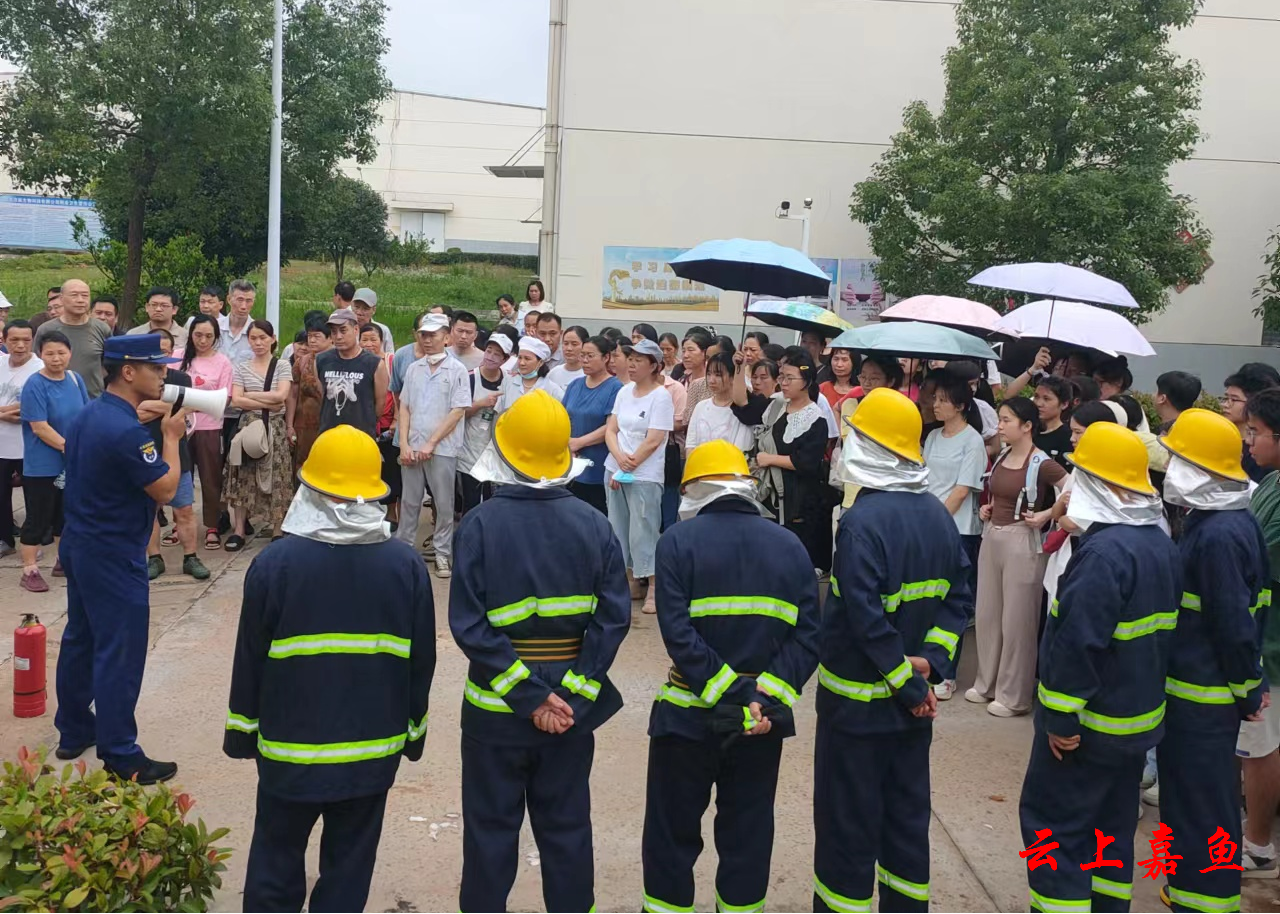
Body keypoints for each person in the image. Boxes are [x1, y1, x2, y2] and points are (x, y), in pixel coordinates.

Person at [225, 426, 436, 912]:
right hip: (372, 754)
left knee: (275, 861)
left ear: (311, 488)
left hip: (289, 755)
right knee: (349, 868)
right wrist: (413, 735)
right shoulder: (405, 567)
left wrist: (242, 734)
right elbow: (420, 662)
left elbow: (250, 660)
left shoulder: (275, 565)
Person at [449, 390, 629, 913]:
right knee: (567, 831)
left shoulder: (479, 524)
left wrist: (527, 696)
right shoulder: (594, 524)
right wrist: (570, 693)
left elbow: (469, 624)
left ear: (506, 453)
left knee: (489, 835)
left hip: (495, 710)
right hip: (570, 710)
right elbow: (613, 618)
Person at [642, 441, 819, 914]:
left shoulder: (676, 542)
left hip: (687, 717)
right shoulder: (790, 546)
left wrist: (735, 695)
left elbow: (679, 636)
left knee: (670, 837)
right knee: (748, 836)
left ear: (695, 488)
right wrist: (762, 699)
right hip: (762, 723)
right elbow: (808, 637)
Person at [813, 387, 971, 914]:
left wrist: (906, 683)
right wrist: (930, 666)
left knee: (846, 826)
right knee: (906, 823)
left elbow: (864, 618)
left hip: (856, 711)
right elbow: (957, 601)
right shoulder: (937, 515)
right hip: (913, 711)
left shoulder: (861, 523)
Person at [1019, 422, 1180, 914]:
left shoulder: (1104, 554)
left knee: (1056, 833)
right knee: (1110, 837)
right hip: (1134, 727)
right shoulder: (1160, 543)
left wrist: (1059, 718)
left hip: (1086, 731)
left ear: (1103, 485)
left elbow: (1076, 646)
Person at [55, 334, 187, 783]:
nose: (164, 374)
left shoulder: (90, 414)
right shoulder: (128, 431)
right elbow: (165, 489)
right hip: (113, 552)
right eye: (156, 367)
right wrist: (170, 437)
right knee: (120, 651)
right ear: (128, 372)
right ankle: (121, 753)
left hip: (81, 542)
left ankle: (74, 728)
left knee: (81, 637)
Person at [1157, 408, 1269, 911]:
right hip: (1198, 694)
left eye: (1178, 459)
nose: (1170, 469)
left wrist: (1248, 688)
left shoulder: (1219, 533)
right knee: (1191, 801)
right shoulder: (1221, 519)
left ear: (1201, 469)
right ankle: (1187, 888)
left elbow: (1232, 623)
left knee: (1200, 805)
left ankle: (1206, 899)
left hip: (1201, 697)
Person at [968, 397, 1067, 717]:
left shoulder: (1041, 462)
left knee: (1017, 620)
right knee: (988, 614)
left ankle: (1014, 695)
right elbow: (997, 493)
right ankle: (987, 682)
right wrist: (988, 508)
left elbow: (1072, 489)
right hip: (992, 536)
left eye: (1007, 420)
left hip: (1023, 541)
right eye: (1000, 419)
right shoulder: (1003, 455)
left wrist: (1048, 514)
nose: (1000, 425)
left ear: (1027, 426)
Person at [923, 373, 987, 700]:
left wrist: (935, 522)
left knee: (951, 601)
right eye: (935, 399)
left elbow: (962, 491)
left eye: (943, 400)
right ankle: (925, 665)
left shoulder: (972, 441)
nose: (935, 405)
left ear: (960, 405)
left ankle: (946, 673)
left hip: (957, 529)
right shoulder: (934, 436)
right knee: (926, 599)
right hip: (929, 524)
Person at [396, 313, 470, 578]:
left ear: (446, 337)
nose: (427, 340)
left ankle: (442, 553)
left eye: (433, 335)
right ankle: (404, 550)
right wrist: (404, 443)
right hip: (413, 445)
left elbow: (457, 410)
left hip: (443, 448)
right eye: (423, 335)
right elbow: (405, 407)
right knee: (409, 500)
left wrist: (431, 443)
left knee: (443, 503)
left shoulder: (457, 370)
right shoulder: (414, 369)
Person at [605, 339, 675, 614]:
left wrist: (626, 466)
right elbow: (611, 429)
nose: (632, 365)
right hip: (615, 467)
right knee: (618, 529)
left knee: (644, 529)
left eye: (638, 360)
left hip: (643, 473)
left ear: (654, 366)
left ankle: (654, 588)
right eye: (630, 359)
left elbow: (654, 439)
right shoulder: (624, 392)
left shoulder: (661, 396)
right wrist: (618, 460)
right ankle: (628, 582)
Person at [1241, 387, 1280, 876]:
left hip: (1272, 644)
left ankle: (1259, 845)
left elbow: (1256, 560)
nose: (1249, 441)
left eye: (1256, 432)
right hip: (1260, 637)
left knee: (1261, 747)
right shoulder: (1270, 482)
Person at [17, 331, 87, 591]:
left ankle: (63, 561)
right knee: (38, 517)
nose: (56, 359)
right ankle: (29, 570)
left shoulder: (75, 379)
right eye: (49, 353)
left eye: (61, 353)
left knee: (65, 515)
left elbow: (85, 415)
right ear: (40, 355)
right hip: (42, 466)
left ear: (70, 353)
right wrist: (70, 448)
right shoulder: (34, 384)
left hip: (70, 464)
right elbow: (39, 427)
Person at [755, 350, 830, 575]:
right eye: (782, 377)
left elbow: (807, 462)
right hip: (770, 493)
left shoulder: (815, 418)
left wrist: (770, 459)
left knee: (795, 556)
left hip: (800, 498)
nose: (784, 383)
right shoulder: (776, 407)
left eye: (790, 378)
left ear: (806, 381)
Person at [141, 331, 208, 581]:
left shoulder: (181, 379)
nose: (161, 355)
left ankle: (191, 557)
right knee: (148, 510)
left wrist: (153, 407)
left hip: (178, 454)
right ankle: (154, 558)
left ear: (172, 352)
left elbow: (186, 408)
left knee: (185, 509)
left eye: (165, 350)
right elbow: (135, 412)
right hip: (146, 452)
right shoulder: (138, 380)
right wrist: (171, 406)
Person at [224, 320, 293, 550]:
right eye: (253, 338)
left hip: (275, 427)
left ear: (273, 339)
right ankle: (239, 530)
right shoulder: (242, 367)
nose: (258, 342)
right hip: (249, 425)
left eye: (263, 337)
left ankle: (277, 529)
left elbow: (281, 396)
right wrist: (266, 400)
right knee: (243, 475)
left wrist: (250, 396)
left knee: (278, 476)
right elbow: (236, 400)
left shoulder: (282, 365)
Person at [181, 314, 233, 550]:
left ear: (216, 337)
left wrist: (192, 404)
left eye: (208, 336)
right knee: (180, 477)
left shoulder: (222, 362)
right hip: (179, 426)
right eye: (198, 335)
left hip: (210, 427)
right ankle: (180, 523)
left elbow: (224, 398)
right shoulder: (180, 357)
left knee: (211, 478)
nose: (203, 340)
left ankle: (213, 524)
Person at [563, 335, 623, 515]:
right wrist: (568, 444)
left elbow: (611, 426)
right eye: (582, 355)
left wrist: (579, 442)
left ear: (606, 358)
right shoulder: (574, 385)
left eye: (590, 356)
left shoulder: (616, 388)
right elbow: (564, 417)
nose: (585, 360)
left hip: (599, 464)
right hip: (571, 463)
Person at [0, 321, 41, 558]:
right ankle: (5, 539)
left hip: (30, 445)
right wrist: (6, 413)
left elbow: (29, 407)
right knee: (1, 496)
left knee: (34, 497)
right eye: (14, 340)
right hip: (2, 444)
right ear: (4, 340)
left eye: (26, 340)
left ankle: (33, 543)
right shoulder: (0, 364)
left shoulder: (40, 368)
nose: (20, 345)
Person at [458, 334, 513, 513]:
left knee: (493, 502)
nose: (490, 357)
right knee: (470, 501)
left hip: (496, 451)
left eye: (497, 354)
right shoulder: (470, 378)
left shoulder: (510, 380)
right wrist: (480, 404)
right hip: (470, 451)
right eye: (489, 351)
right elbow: (457, 414)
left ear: (505, 359)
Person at [315, 308, 388, 439]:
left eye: (343, 331)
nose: (338, 336)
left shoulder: (374, 364)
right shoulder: (321, 360)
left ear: (356, 330)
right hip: (329, 434)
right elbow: (321, 396)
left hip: (361, 436)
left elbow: (380, 405)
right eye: (334, 332)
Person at [34, 278, 111, 399]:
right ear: (61, 298)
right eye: (74, 295)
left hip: (93, 399)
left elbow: (110, 364)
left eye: (85, 295)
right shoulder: (46, 330)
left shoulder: (102, 329)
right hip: (54, 399)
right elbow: (36, 364)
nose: (80, 300)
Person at [286, 319, 331, 476]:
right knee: (303, 466)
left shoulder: (338, 361)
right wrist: (289, 425)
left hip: (329, 424)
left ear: (330, 338)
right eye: (310, 336)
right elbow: (292, 394)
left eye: (316, 336)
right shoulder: (302, 362)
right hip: (303, 425)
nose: (311, 340)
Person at [1224, 362, 1280, 483]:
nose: (1226, 405)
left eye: (1234, 399)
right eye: (1226, 398)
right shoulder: (1224, 439)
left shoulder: (1266, 458)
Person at [686, 351, 752, 453]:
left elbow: (740, 449)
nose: (711, 380)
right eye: (709, 374)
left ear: (732, 377)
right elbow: (691, 443)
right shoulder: (701, 406)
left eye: (718, 375)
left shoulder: (741, 412)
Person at [497, 336, 565, 411]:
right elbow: (498, 410)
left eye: (527, 359)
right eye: (520, 358)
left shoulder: (551, 389)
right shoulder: (508, 381)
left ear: (540, 362)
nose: (522, 363)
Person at [1032, 375, 1074, 468]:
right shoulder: (1027, 429)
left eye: (1046, 399)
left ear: (1064, 404)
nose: (1038, 404)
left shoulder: (1069, 438)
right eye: (1036, 397)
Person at [350, 287, 394, 354]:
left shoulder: (383, 330)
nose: (359, 312)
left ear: (374, 310)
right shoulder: (345, 330)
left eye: (365, 309)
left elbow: (390, 356)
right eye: (356, 307)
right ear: (351, 305)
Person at [819, 346, 857, 414]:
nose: (839, 364)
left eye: (844, 360)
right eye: (836, 359)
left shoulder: (861, 391)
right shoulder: (822, 388)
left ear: (854, 362)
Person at [547, 324, 588, 389]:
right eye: (565, 343)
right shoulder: (553, 373)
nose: (569, 348)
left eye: (574, 344)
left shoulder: (589, 375)